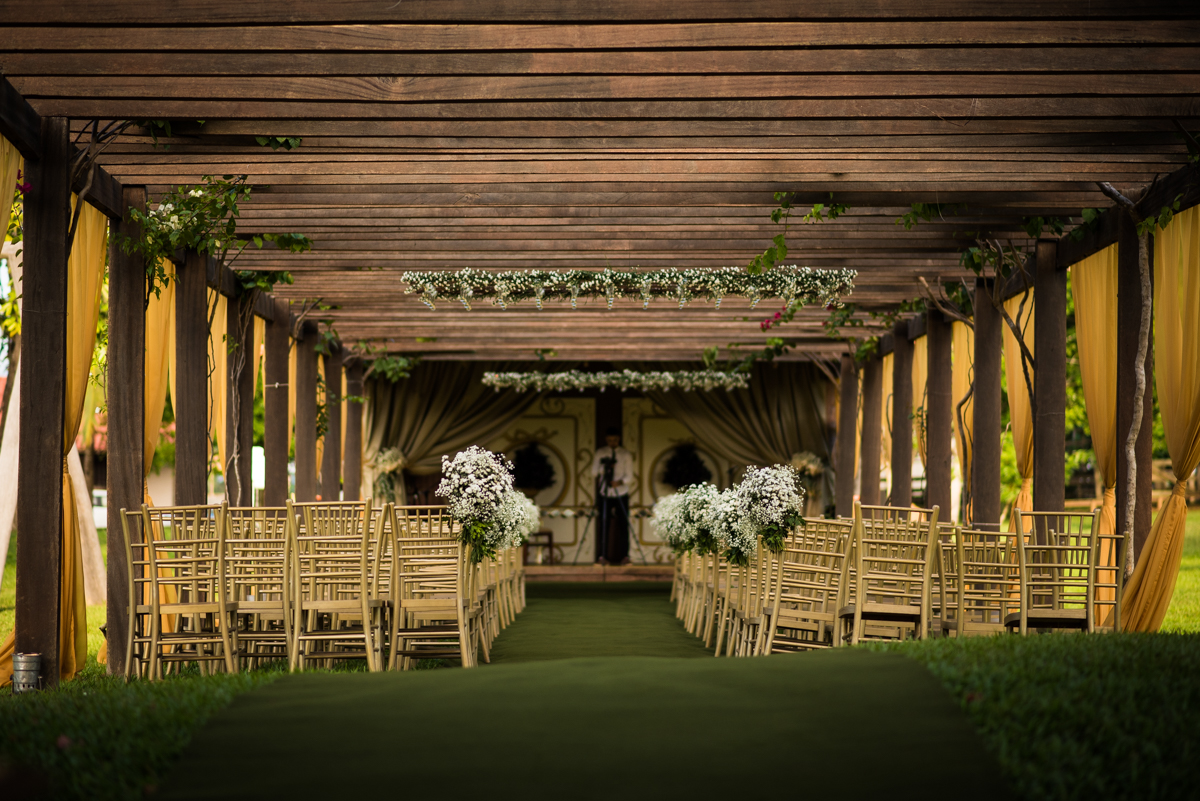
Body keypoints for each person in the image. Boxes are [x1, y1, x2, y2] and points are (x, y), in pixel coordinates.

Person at [592, 427, 634, 565]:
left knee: (623, 524)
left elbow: (630, 476)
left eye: (615, 440)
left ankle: (624, 556)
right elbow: (594, 472)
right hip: (605, 492)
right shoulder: (601, 453)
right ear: (606, 440)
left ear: (619, 439)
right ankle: (602, 556)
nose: (612, 443)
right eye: (610, 440)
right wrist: (605, 470)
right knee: (604, 523)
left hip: (621, 492)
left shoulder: (625, 454)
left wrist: (619, 482)